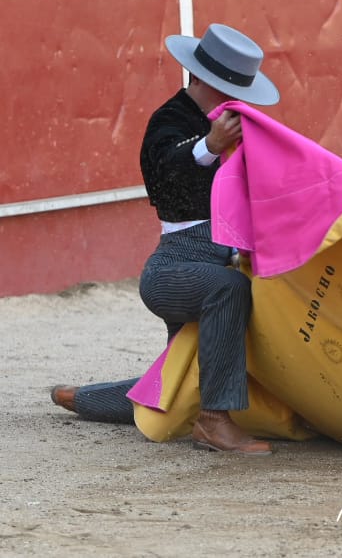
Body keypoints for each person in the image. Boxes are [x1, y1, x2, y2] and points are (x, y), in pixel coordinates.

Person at [50, 23, 282, 456]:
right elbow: (164, 180)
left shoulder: (240, 126)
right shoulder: (169, 121)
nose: (228, 98)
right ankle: (214, 422)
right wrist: (208, 146)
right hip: (177, 267)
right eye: (220, 87)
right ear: (197, 77)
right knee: (228, 289)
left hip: (222, 261)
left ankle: (80, 397)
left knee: (175, 385)